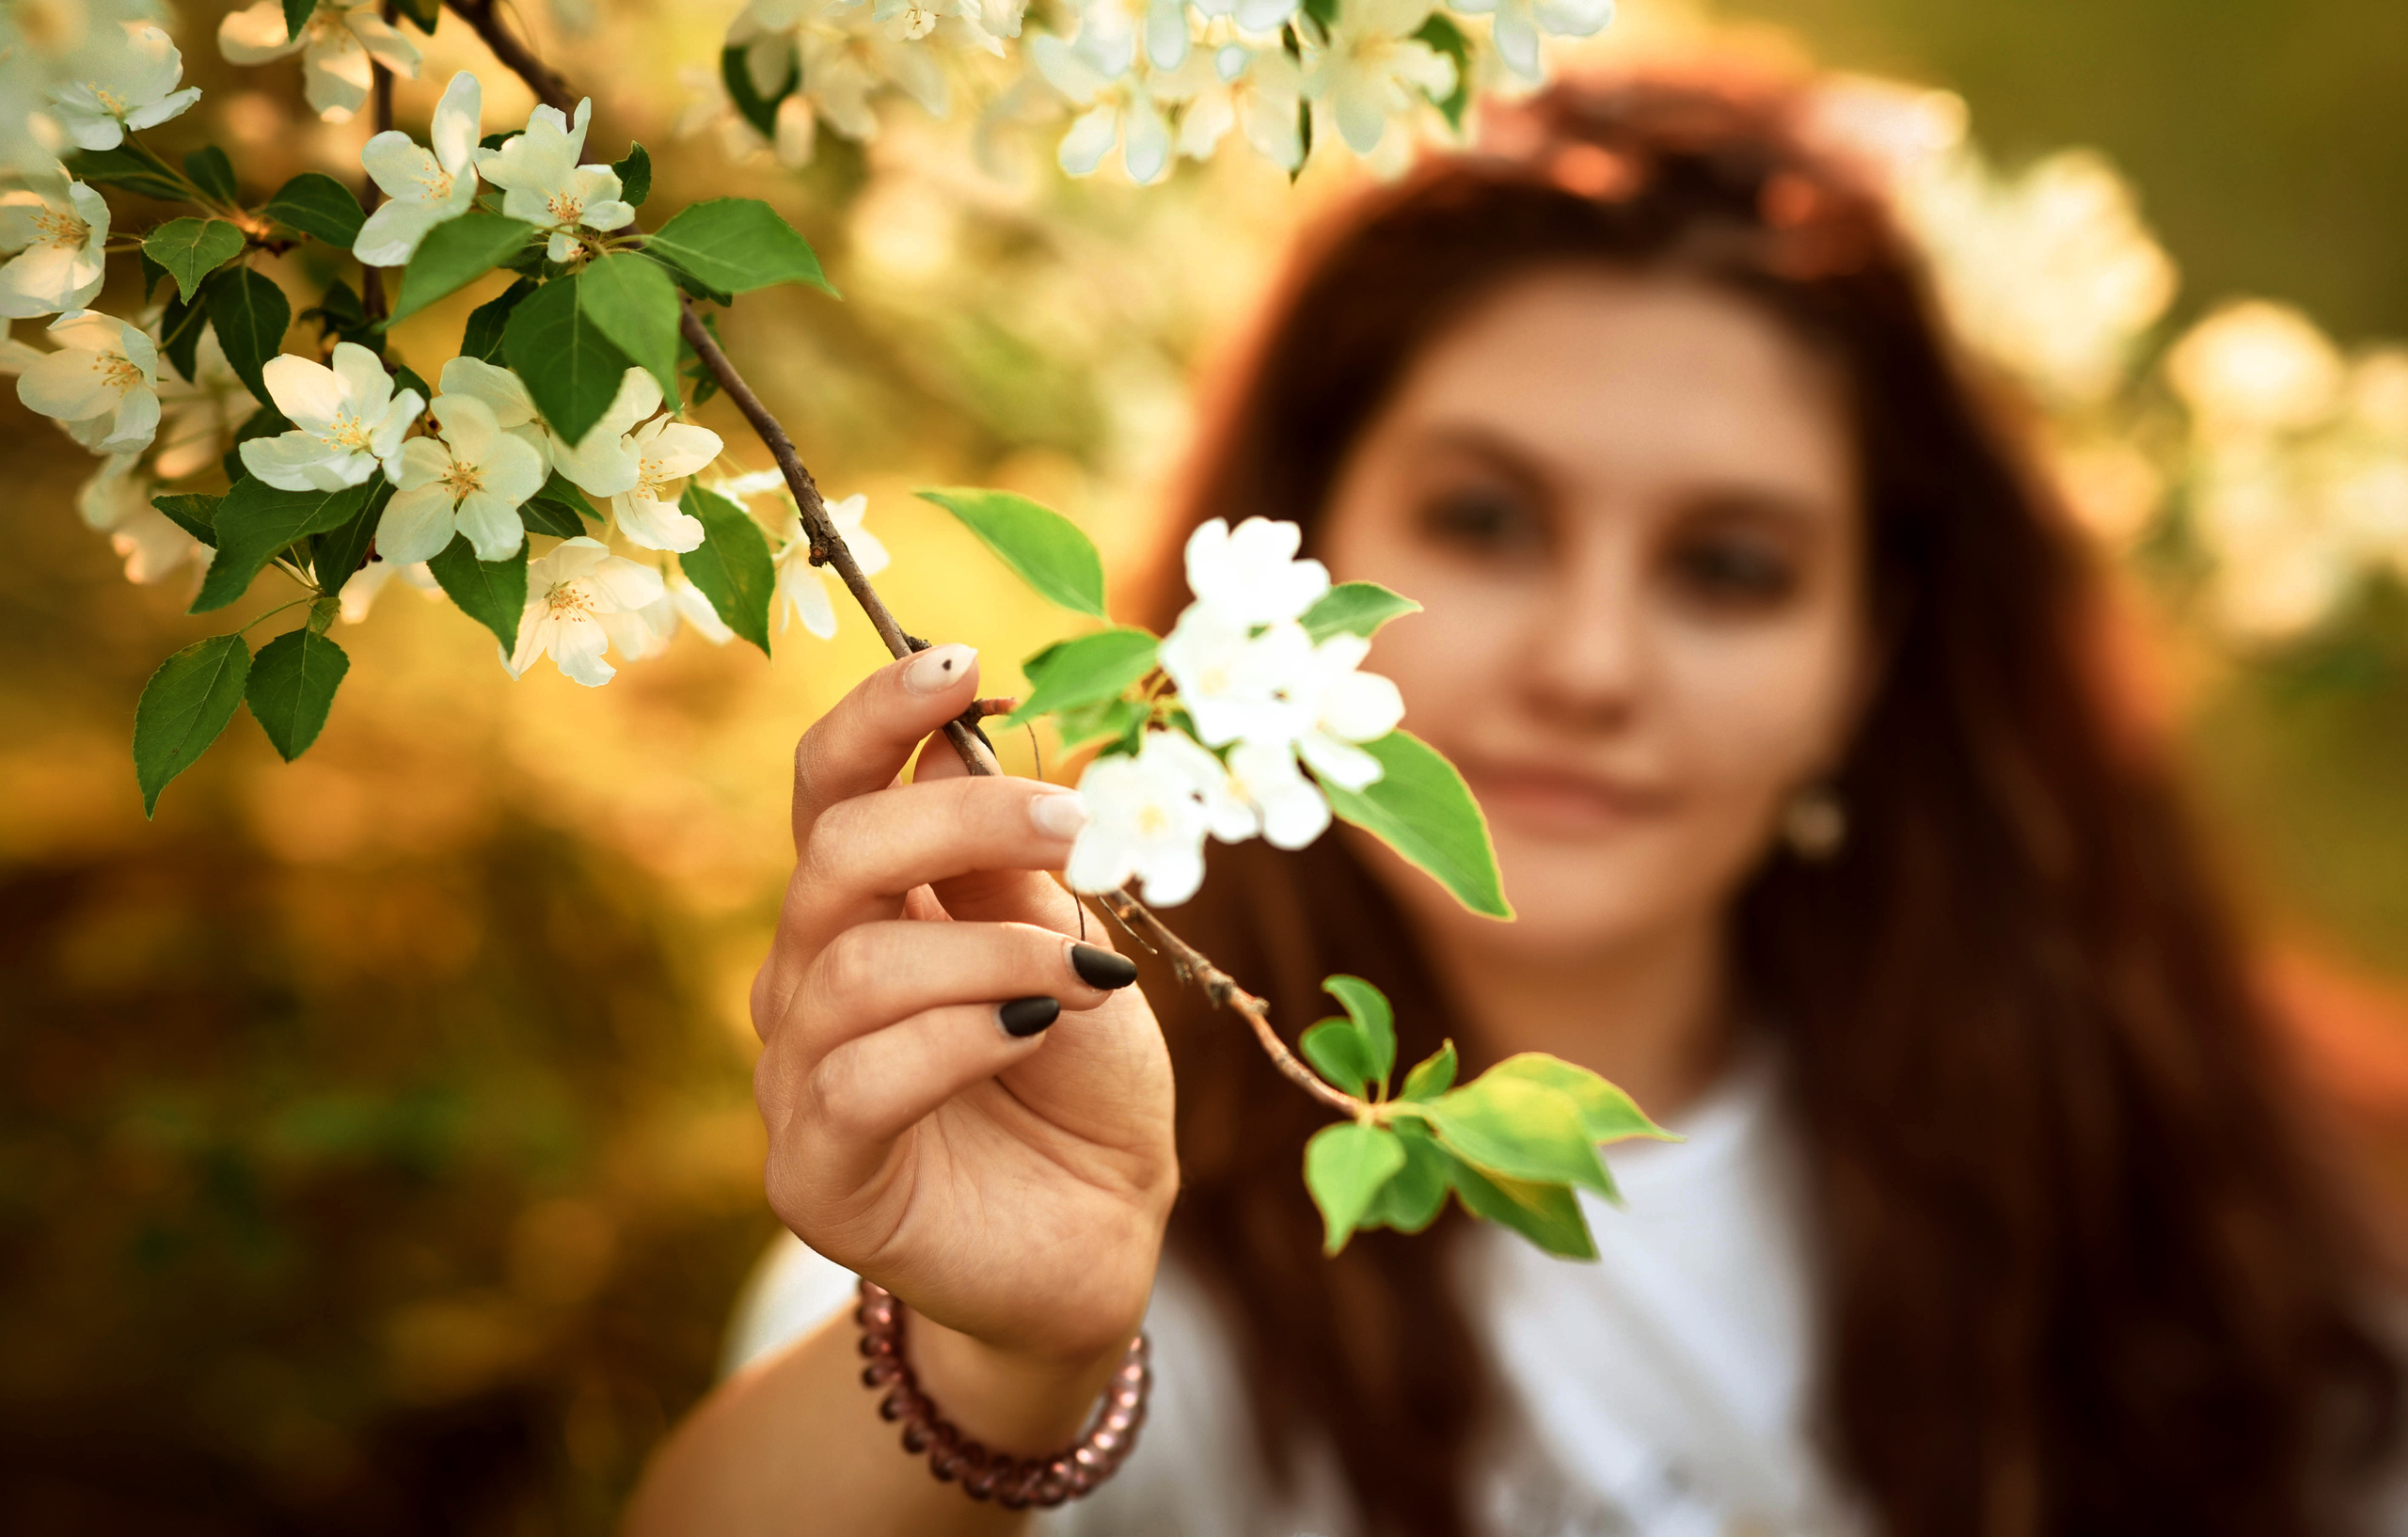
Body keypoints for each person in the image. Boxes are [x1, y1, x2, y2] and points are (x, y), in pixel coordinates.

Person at [625, 67, 2406, 1537]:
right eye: (1484, 520)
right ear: (1300, 544)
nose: (1591, 662)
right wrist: (999, 1369)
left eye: (1730, 566)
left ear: (1877, 651)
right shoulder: (1075, 1122)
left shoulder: (2171, 1156)